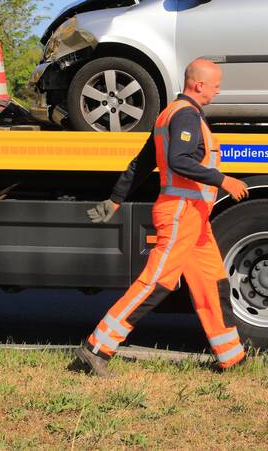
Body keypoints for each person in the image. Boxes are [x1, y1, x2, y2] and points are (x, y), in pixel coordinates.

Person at [72, 58, 250, 377]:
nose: (218, 90)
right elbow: (178, 160)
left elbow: (141, 164)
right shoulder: (186, 116)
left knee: (212, 282)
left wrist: (115, 199)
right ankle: (96, 348)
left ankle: (231, 356)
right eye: (215, 85)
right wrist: (223, 180)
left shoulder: (168, 116)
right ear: (198, 85)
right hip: (182, 213)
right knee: (156, 281)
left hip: (194, 218)